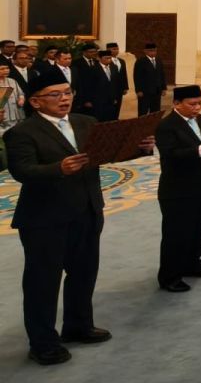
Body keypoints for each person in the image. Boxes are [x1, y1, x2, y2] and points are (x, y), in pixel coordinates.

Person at [6, 67, 153, 365]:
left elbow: (105, 154)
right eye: (55, 95)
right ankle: (43, 343)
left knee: (84, 273)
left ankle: (78, 325)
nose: (64, 99)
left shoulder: (86, 122)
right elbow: (22, 170)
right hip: (45, 219)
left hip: (87, 209)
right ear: (35, 101)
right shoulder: (22, 133)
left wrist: (139, 150)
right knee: (43, 282)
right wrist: (58, 169)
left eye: (67, 93)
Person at [156, 85, 201, 293]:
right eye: (192, 104)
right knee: (176, 234)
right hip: (177, 188)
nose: (197, 108)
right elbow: (171, 155)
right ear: (176, 104)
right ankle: (169, 277)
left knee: (197, 229)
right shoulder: (166, 126)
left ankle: (192, 264)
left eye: (199, 103)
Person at [133, 43, 167, 116]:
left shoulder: (159, 61)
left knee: (155, 112)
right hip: (145, 92)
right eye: (151, 50)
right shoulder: (140, 61)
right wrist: (138, 90)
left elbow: (162, 75)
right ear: (145, 51)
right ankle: (142, 123)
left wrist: (164, 88)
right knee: (143, 111)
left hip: (157, 91)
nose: (153, 52)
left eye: (155, 50)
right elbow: (137, 77)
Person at [93, 51, 121, 122]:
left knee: (111, 118)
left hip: (112, 99)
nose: (109, 60)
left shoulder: (114, 67)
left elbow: (116, 83)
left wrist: (115, 97)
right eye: (106, 58)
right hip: (99, 99)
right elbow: (90, 85)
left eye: (110, 58)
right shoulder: (94, 69)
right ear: (99, 58)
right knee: (100, 119)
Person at [105, 43, 129, 115]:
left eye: (117, 49)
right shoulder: (105, 60)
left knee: (118, 106)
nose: (116, 51)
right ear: (108, 50)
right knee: (110, 107)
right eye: (114, 49)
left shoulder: (121, 61)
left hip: (120, 88)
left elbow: (124, 74)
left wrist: (125, 87)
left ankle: (116, 119)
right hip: (110, 88)